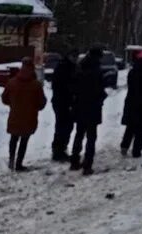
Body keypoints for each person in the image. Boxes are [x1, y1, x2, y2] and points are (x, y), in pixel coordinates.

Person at [2, 57, 47, 172]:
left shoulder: (12, 82)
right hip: (29, 117)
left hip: (15, 116)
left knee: (13, 137)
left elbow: (4, 99)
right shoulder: (36, 85)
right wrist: (35, 108)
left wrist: (14, 105)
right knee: (24, 140)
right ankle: (19, 164)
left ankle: (11, 159)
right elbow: (41, 103)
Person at [71, 46, 106, 176]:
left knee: (79, 134)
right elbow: (100, 90)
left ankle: (74, 161)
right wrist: (101, 98)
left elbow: (73, 87)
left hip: (80, 106)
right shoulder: (97, 71)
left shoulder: (80, 68)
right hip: (93, 108)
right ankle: (87, 165)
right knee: (91, 137)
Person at [120, 50, 142, 158]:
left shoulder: (132, 72)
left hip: (132, 101)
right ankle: (136, 151)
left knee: (130, 126)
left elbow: (131, 86)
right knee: (140, 128)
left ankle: (124, 146)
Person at [51, 48, 78, 162]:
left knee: (64, 126)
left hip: (63, 102)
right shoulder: (65, 68)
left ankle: (60, 149)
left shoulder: (67, 67)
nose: (75, 59)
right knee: (63, 127)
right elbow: (62, 86)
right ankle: (59, 150)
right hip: (63, 102)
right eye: (74, 56)